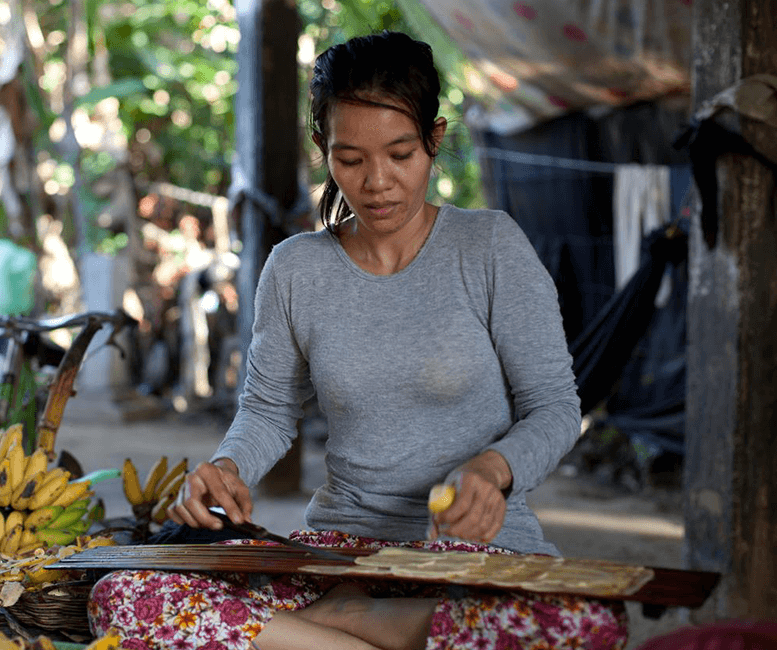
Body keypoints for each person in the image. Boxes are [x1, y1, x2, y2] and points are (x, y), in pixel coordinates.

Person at [89, 30, 627, 650]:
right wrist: (228, 467)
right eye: (351, 159)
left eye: (401, 154)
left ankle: (344, 631)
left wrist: (494, 468)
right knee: (125, 593)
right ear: (323, 150)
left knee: (587, 626)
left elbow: (556, 407)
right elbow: (267, 412)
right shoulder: (295, 269)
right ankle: (367, 627)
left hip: (471, 553)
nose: (377, 182)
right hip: (341, 557)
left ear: (435, 138)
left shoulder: (489, 247)